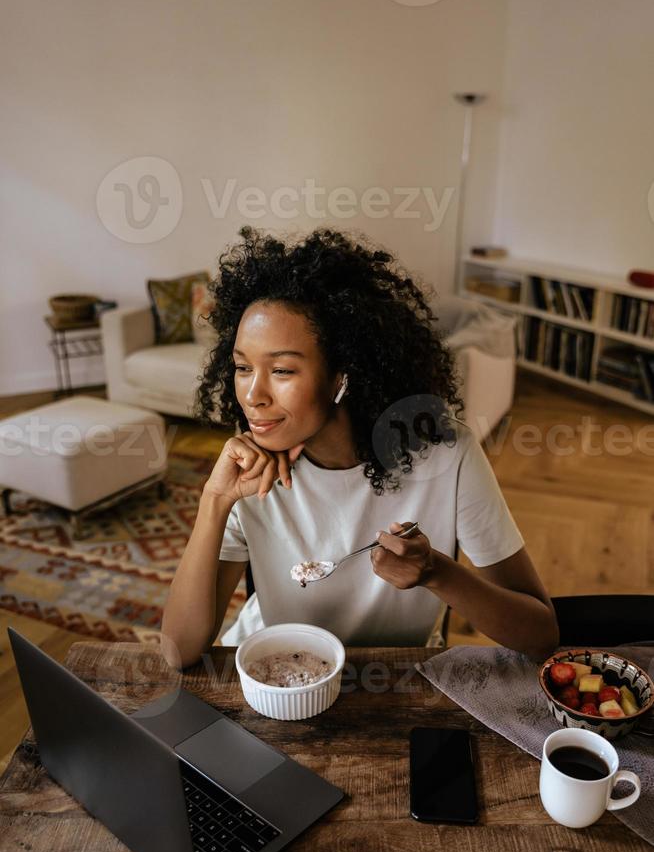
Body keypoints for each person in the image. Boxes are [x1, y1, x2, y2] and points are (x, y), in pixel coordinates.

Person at [161, 226, 559, 669]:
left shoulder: (447, 455)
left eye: (283, 371)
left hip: (395, 682)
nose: (253, 394)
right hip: (275, 674)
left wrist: (437, 574)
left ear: (341, 376)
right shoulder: (249, 472)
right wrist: (215, 501)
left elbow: (540, 635)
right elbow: (178, 652)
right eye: (241, 367)